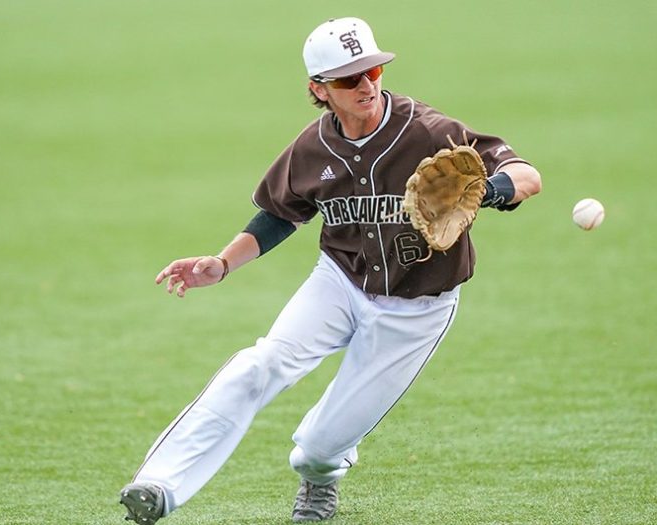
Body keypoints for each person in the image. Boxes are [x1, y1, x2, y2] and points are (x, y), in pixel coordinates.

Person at [119, 16, 541, 524]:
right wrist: (222, 263)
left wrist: (490, 191)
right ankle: (158, 485)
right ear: (319, 89)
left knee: (321, 447)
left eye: (373, 72)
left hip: (416, 310)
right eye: (347, 79)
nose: (365, 85)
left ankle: (319, 480)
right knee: (260, 364)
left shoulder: (430, 131)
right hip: (339, 282)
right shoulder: (312, 147)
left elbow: (525, 174)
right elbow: (279, 213)